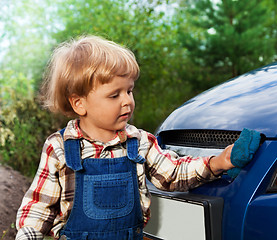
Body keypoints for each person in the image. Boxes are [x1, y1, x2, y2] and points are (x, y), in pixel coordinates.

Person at [15, 35, 258, 240]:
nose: (127, 101)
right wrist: (28, 234)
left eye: (129, 90)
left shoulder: (139, 141)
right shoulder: (60, 148)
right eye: (114, 95)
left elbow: (172, 174)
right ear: (79, 103)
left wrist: (218, 162)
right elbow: (39, 205)